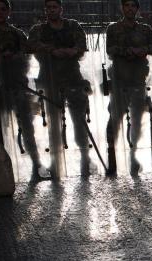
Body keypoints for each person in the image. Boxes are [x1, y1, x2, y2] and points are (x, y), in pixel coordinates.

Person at [0, 0, 43, 178]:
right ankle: (3, 166)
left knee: (27, 125)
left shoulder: (18, 34)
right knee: (1, 127)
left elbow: (27, 58)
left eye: (3, 9)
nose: (0, 13)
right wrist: (6, 58)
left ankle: (37, 164)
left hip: (18, 85)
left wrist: (9, 58)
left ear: (9, 11)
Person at [27, 0, 92, 174]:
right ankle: (56, 160)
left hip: (73, 80)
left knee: (79, 119)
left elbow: (82, 45)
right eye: (48, 7)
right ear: (45, 10)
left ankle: (85, 156)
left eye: (54, 7)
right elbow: (31, 45)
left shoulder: (73, 26)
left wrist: (73, 51)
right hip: (50, 81)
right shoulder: (38, 30)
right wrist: (52, 50)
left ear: (61, 9)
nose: (51, 10)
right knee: (53, 122)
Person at [105, 0, 152, 175]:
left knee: (137, 119)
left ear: (137, 9)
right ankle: (111, 152)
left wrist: (142, 50)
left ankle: (134, 153)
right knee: (114, 118)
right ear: (122, 8)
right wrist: (127, 51)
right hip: (119, 81)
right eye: (126, 5)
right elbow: (110, 49)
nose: (129, 9)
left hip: (138, 81)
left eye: (133, 6)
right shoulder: (113, 29)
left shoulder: (145, 29)